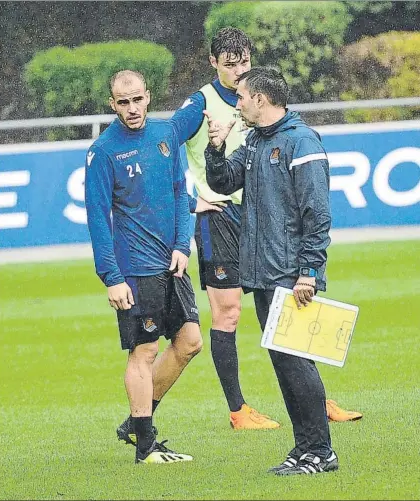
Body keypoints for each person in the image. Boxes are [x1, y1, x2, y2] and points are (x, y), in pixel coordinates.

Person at [116, 27, 361, 443]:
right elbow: (163, 144)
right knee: (228, 313)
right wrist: (190, 199)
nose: (238, 71)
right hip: (219, 215)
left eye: (243, 62)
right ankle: (237, 408)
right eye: (230, 65)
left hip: (259, 218)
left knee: (287, 312)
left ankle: (313, 400)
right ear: (214, 64)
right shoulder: (201, 103)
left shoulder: (262, 105)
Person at [204, 66, 340, 475]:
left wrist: (309, 271)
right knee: (285, 363)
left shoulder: (300, 141)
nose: (238, 102)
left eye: (242, 96)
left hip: (291, 275)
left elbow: (317, 213)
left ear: (260, 99)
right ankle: (305, 449)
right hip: (263, 273)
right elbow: (224, 182)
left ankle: (320, 452)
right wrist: (216, 146)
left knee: (297, 363)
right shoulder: (255, 142)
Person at [85, 69, 202, 465]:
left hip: (173, 264)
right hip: (135, 268)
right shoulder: (104, 151)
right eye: (123, 101)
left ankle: (136, 422)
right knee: (145, 352)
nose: (132, 109)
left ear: (148, 97)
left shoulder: (167, 135)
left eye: (137, 99)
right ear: (112, 104)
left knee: (189, 343)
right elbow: (98, 217)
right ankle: (146, 445)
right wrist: (112, 276)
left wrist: (183, 245)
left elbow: (179, 192)